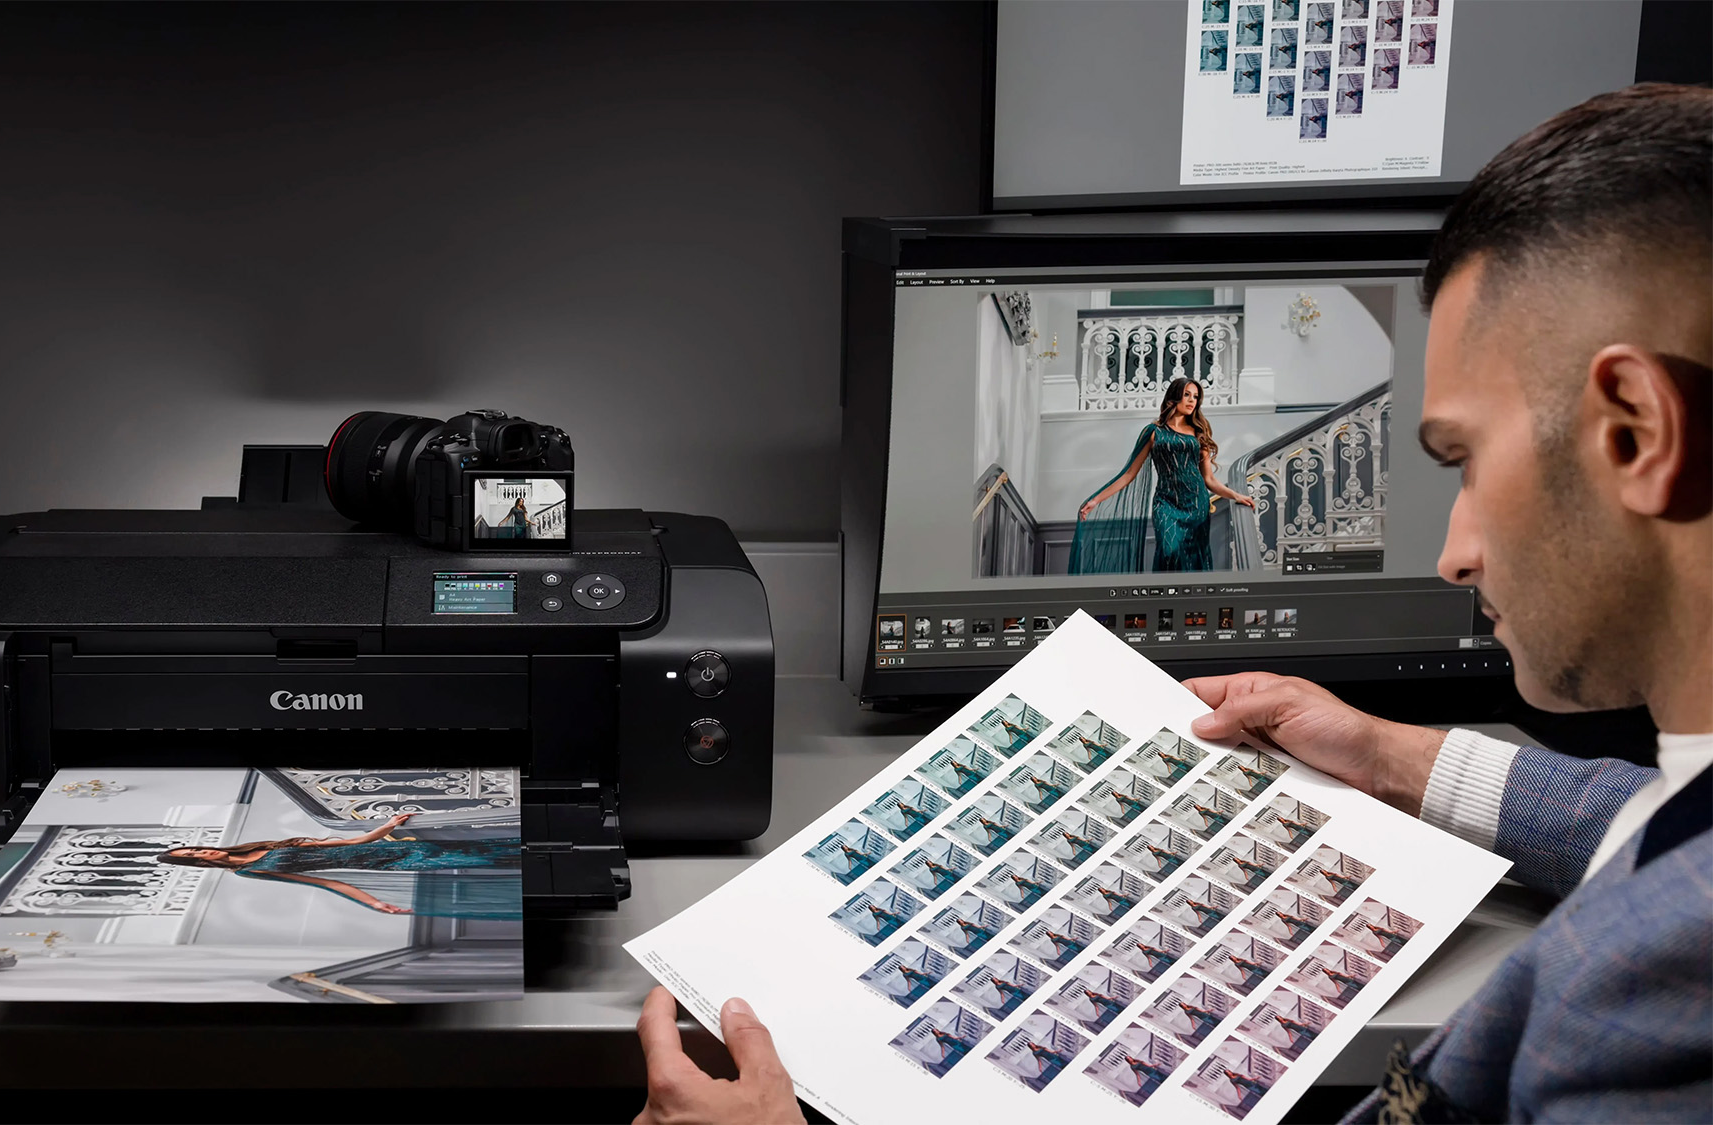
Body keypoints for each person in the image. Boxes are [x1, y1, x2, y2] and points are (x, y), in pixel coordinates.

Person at [634, 84, 1711, 1125]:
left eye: (1464, 461)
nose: (1451, 554)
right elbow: (1657, 822)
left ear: (1634, 432)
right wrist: (1389, 755)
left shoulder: (1656, 990)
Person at [155, 813, 521, 918]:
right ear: (199, 865)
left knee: (485, 847)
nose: (202, 851)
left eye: (197, 847)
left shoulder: (262, 845)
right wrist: (375, 904)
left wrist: (388, 826)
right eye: (193, 856)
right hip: (392, 865)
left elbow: (349, 842)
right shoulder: (250, 870)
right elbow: (328, 885)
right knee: (476, 858)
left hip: (390, 849)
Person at [1070, 376, 1259, 574]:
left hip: (1196, 504)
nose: (1191, 400)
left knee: (1194, 556)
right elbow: (1128, 474)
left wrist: (1236, 495)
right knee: (1169, 552)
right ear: (1173, 398)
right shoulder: (1153, 432)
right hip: (1165, 504)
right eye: (1186, 395)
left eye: (1195, 396)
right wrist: (1096, 500)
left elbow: (1209, 480)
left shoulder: (1198, 433)